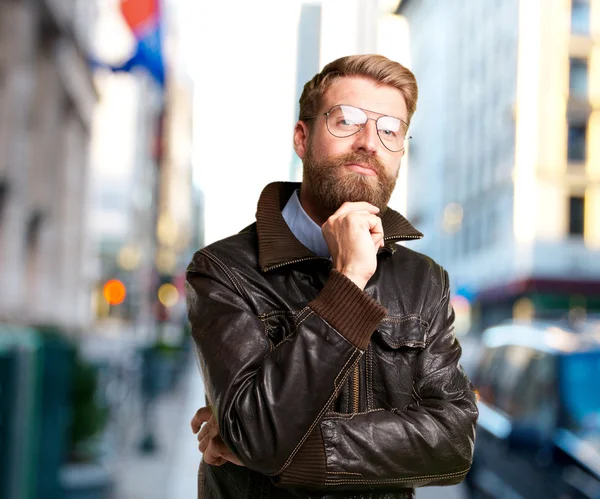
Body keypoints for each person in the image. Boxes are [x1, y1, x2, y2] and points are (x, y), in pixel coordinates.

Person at [186, 54, 478, 499]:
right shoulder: (225, 271)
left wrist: (290, 456)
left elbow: (455, 441)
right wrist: (348, 281)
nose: (369, 142)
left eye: (390, 130)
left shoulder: (424, 281)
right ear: (302, 138)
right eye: (346, 121)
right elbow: (261, 435)